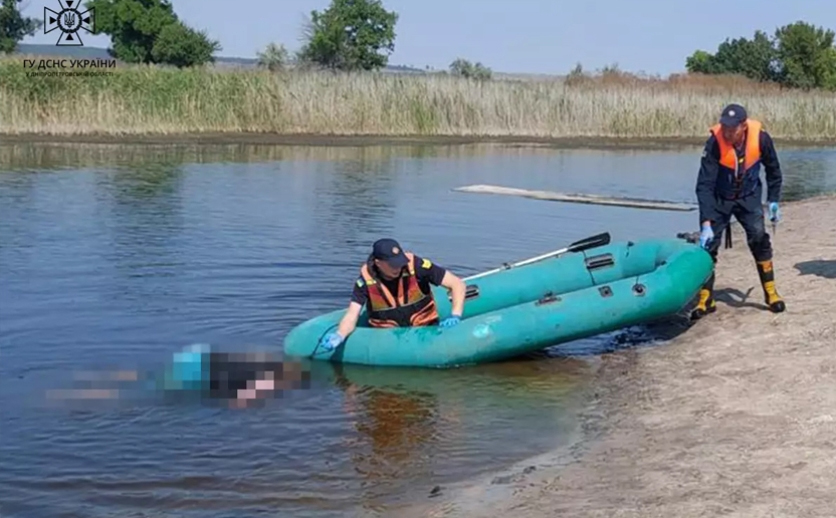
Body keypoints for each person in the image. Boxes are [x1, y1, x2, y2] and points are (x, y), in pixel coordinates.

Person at [692, 103, 786, 320]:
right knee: (708, 246)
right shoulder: (714, 144)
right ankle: (706, 298)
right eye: (724, 126)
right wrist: (706, 222)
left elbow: (774, 171)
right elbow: (704, 185)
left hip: (749, 197)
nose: (727, 132)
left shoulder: (762, 139)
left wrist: (773, 200)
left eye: (732, 128)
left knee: (759, 238)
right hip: (719, 199)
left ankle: (771, 293)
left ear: (743, 126)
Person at [318, 238, 467, 351]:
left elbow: (457, 284)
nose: (398, 267)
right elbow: (352, 314)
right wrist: (340, 335)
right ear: (378, 263)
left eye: (400, 262)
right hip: (388, 341)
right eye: (393, 264)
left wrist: (455, 315)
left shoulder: (416, 265)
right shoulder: (365, 281)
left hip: (426, 331)